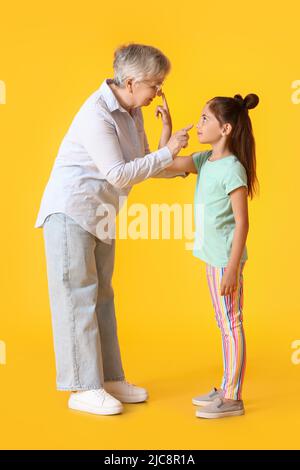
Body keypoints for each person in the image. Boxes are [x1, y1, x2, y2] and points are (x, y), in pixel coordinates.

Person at [34, 43, 193, 416]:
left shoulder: (132, 111)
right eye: (155, 83)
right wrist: (169, 151)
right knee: (78, 296)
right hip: (71, 211)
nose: (159, 91)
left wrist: (167, 135)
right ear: (132, 80)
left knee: (102, 295)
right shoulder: (97, 113)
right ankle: (83, 387)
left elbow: (144, 165)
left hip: (100, 214)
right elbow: (119, 174)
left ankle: (109, 378)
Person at [164, 93, 259, 419]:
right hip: (213, 257)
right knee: (224, 324)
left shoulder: (233, 169)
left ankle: (233, 398)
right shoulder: (206, 160)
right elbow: (167, 163)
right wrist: (168, 129)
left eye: (206, 118)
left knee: (231, 323)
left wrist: (232, 269)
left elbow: (243, 223)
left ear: (226, 129)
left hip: (225, 261)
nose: (200, 122)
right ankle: (226, 386)